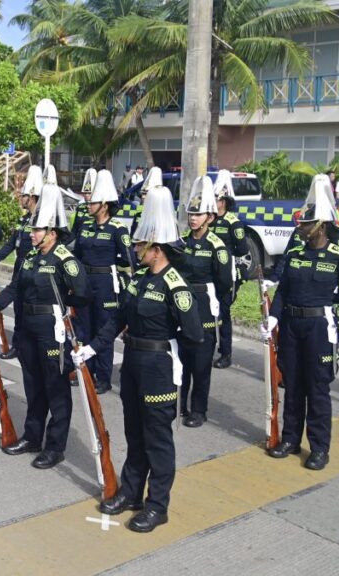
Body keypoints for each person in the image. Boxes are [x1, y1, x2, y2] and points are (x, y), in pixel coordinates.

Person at [73, 179, 201, 533]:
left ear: (157, 248)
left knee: (157, 437)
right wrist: (92, 347)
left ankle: (157, 505)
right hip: (131, 364)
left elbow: (194, 334)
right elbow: (118, 319)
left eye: (142, 244)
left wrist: (168, 345)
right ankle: (131, 492)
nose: (136, 249)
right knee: (135, 432)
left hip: (159, 367)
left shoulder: (176, 285)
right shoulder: (139, 280)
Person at [0, 179, 88, 469]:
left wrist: (65, 313)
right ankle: (32, 436)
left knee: (56, 388)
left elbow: (84, 294)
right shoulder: (32, 258)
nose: (32, 234)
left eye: (37, 230)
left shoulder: (65, 259)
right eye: (33, 229)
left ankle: (55, 445)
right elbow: (14, 289)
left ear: (51, 232)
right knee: (34, 385)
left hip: (52, 330)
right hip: (28, 328)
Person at [262, 175, 339, 470]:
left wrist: (334, 300)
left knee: (318, 389)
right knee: (293, 386)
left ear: (320, 225)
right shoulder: (295, 253)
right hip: (292, 328)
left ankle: (320, 448)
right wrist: (273, 317)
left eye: (306, 224)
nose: (300, 227)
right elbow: (283, 289)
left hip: (319, 328)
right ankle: (290, 439)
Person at [72, 169, 134, 394]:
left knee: (103, 329)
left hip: (106, 284)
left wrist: (118, 277)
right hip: (85, 283)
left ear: (105, 205)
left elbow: (129, 260)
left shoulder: (117, 229)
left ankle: (104, 376)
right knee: (84, 329)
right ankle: (87, 370)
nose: (89, 204)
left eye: (94, 202)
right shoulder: (86, 227)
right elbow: (76, 256)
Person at [177, 176, 232, 427]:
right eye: (191, 214)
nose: (193, 218)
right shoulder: (181, 243)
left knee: (200, 363)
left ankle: (199, 410)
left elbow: (224, 284)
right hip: (181, 304)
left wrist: (218, 311)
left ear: (210, 217)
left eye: (198, 215)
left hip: (205, 307)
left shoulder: (217, 246)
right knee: (182, 359)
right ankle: (180, 406)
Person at [0, 165, 42, 360]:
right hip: (19, 268)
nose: (20, 198)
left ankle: (32, 347)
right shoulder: (24, 220)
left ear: (33, 197)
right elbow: (11, 245)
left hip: (35, 272)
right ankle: (18, 346)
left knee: (32, 312)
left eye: (24, 196)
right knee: (19, 310)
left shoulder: (41, 221)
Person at [210, 170, 249, 369]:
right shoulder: (209, 220)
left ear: (224, 201)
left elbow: (243, 250)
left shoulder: (233, 223)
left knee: (223, 315)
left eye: (216, 198)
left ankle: (226, 353)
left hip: (226, 274)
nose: (213, 202)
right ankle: (209, 348)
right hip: (208, 275)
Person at [70, 168, 97, 239]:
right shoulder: (80, 207)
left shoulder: (101, 209)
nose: (86, 195)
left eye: (89, 193)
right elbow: (74, 230)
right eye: (85, 193)